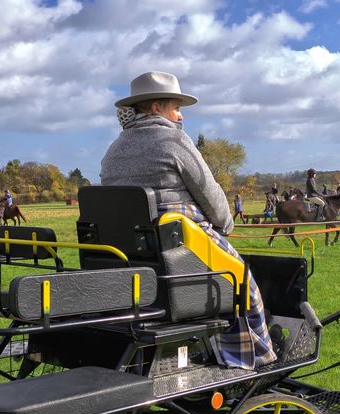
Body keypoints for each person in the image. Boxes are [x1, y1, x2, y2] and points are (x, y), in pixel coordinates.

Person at [100, 71, 276, 370]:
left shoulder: (113, 149)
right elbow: (210, 193)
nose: (180, 116)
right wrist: (225, 225)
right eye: (176, 107)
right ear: (156, 107)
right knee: (244, 283)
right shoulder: (173, 139)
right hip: (179, 247)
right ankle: (256, 357)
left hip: (127, 255)